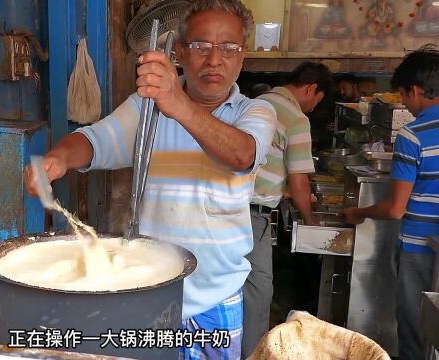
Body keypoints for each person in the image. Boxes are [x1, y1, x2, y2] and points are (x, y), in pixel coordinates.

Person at [25, 1, 276, 358]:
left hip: (216, 298)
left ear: (243, 55)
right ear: (181, 52)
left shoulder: (255, 111)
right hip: (149, 291)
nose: (214, 59)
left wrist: (176, 103)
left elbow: (242, 155)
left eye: (228, 48)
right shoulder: (146, 110)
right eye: (201, 46)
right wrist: (57, 160)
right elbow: (94, 141)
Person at [340, 45, 439, 360]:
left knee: (415, 332)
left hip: (420, 249)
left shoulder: (413, 135)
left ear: (416, 90)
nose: (406, 106)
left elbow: (395, 207)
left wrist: (359, 211)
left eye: (404, 97)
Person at [242, 61, 334, 357]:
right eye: (315, 101)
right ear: (311, 89)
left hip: (231, 204)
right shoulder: (295, 118)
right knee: (258, 290)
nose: (311, 109)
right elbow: (299, 182)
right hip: (251, 213)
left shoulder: (256, 103)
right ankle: (252, 352)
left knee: (234, 283)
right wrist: (310, 220)